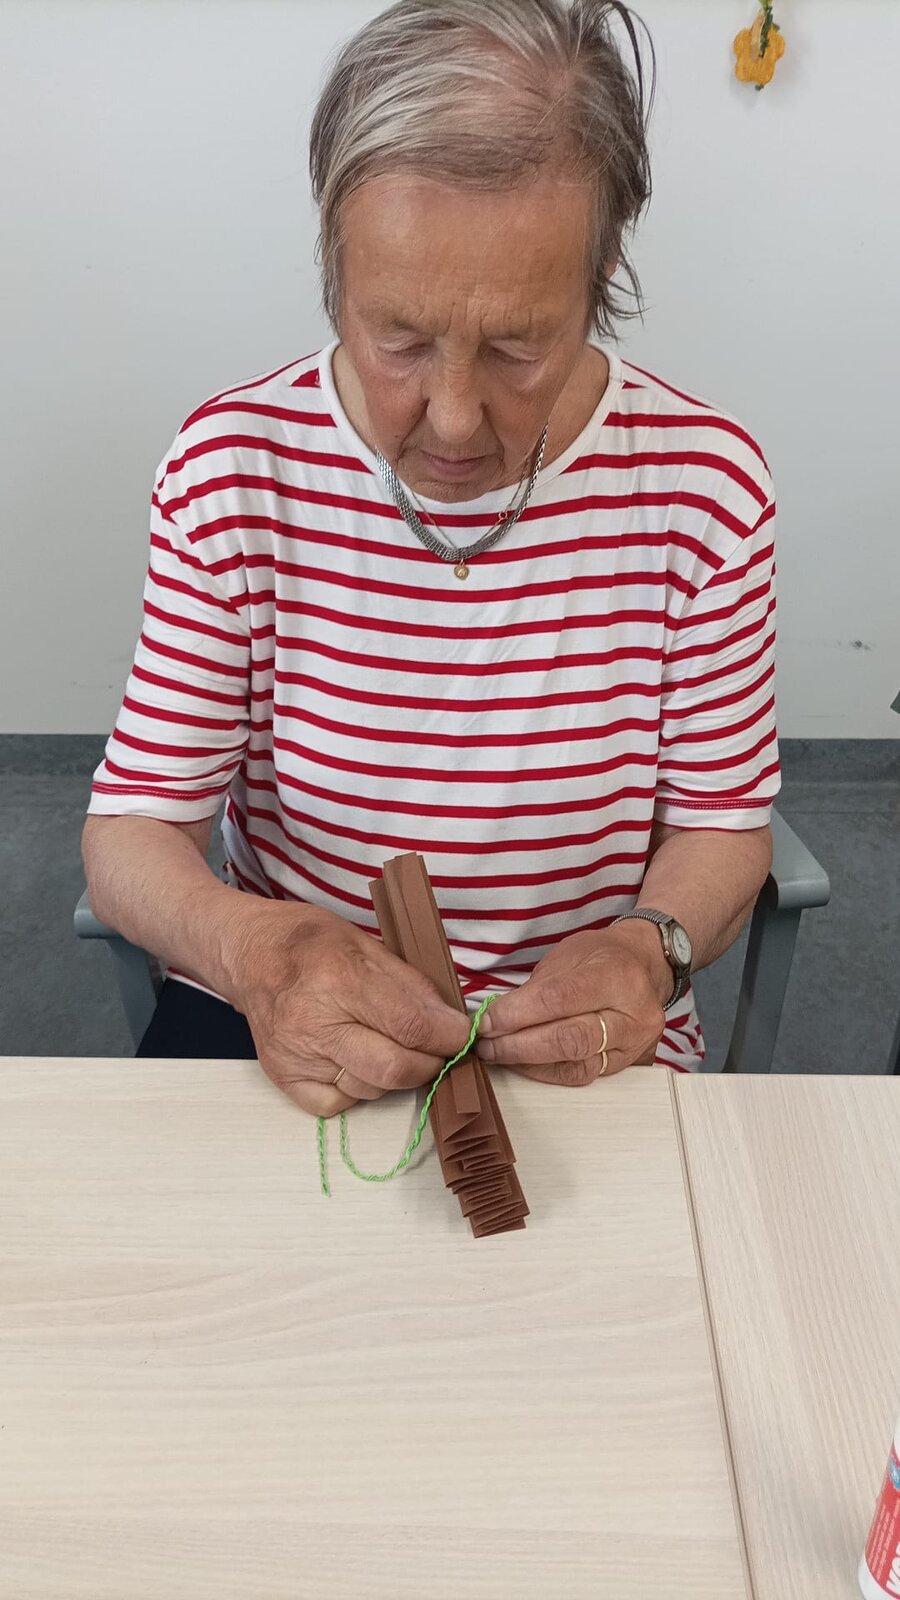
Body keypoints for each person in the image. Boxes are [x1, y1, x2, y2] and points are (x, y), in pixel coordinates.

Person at [82, 0, 778, 1116]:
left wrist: (649, 948)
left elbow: (721, 824)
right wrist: (262, 952)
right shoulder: (234, 469)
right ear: (333, 265)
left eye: (518, 346)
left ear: (602, 275)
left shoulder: (705, 486)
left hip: (581, 1028)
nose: (452, 420)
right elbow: (134, 830)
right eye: (399, 339)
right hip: (288, 1009)